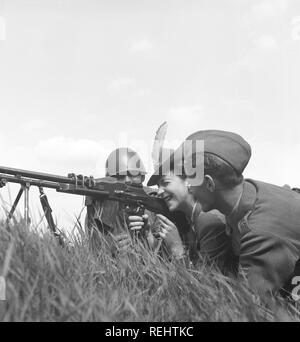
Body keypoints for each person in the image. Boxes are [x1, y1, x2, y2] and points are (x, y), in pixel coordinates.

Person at [161, 130, 300, 298]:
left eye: (191, 181)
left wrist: (178, 255)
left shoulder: (260, 231)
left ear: (209, 184)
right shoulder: (246, 194)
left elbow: (244, 308)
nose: (189, 188)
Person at [147, 149, 235, 273]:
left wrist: (177, 249)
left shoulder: (208, 219)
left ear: (188, 181)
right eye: (158, 187)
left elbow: (207, 283)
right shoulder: (184, 217)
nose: (160, 191)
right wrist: (149, 238)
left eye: (165, 183)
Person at [85, 147, 159, 255]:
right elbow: (94, 251)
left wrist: (144, 243)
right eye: (119, 176)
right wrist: (112, 250)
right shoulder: (101, 208)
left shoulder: (154, 202)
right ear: (109, 180)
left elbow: (166, 250)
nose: (127, 180)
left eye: (132, 174)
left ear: (142, 177)